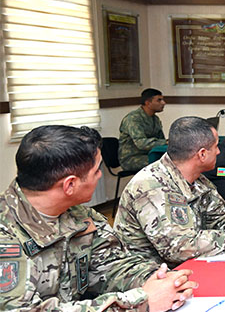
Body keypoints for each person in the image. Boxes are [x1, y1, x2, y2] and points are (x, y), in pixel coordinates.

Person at [0, 125, 196, 311]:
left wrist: (162, 281)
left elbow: (112, 266)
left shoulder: (79, 216)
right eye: (96, 171)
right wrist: (140, 301)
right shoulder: (6, 234)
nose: (100, 176)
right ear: (70, 185)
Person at [115, 117, 225, 268]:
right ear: (202, 154)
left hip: (185, 267)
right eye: (216, 147)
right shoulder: (152, 186)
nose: (219, 152)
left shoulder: (197, 179)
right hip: (148, 277)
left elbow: (223, 216)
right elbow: (180, 247)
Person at [118, 88, 168, 171]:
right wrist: (165, 142)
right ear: (148, 103)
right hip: (132, 158)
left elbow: (160, 141)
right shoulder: (133, 119)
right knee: (164, 164)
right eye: (159, 100)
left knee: (175, 161)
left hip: (150, 154)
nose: (163, 103)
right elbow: (141, 143)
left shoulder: (155, 119)